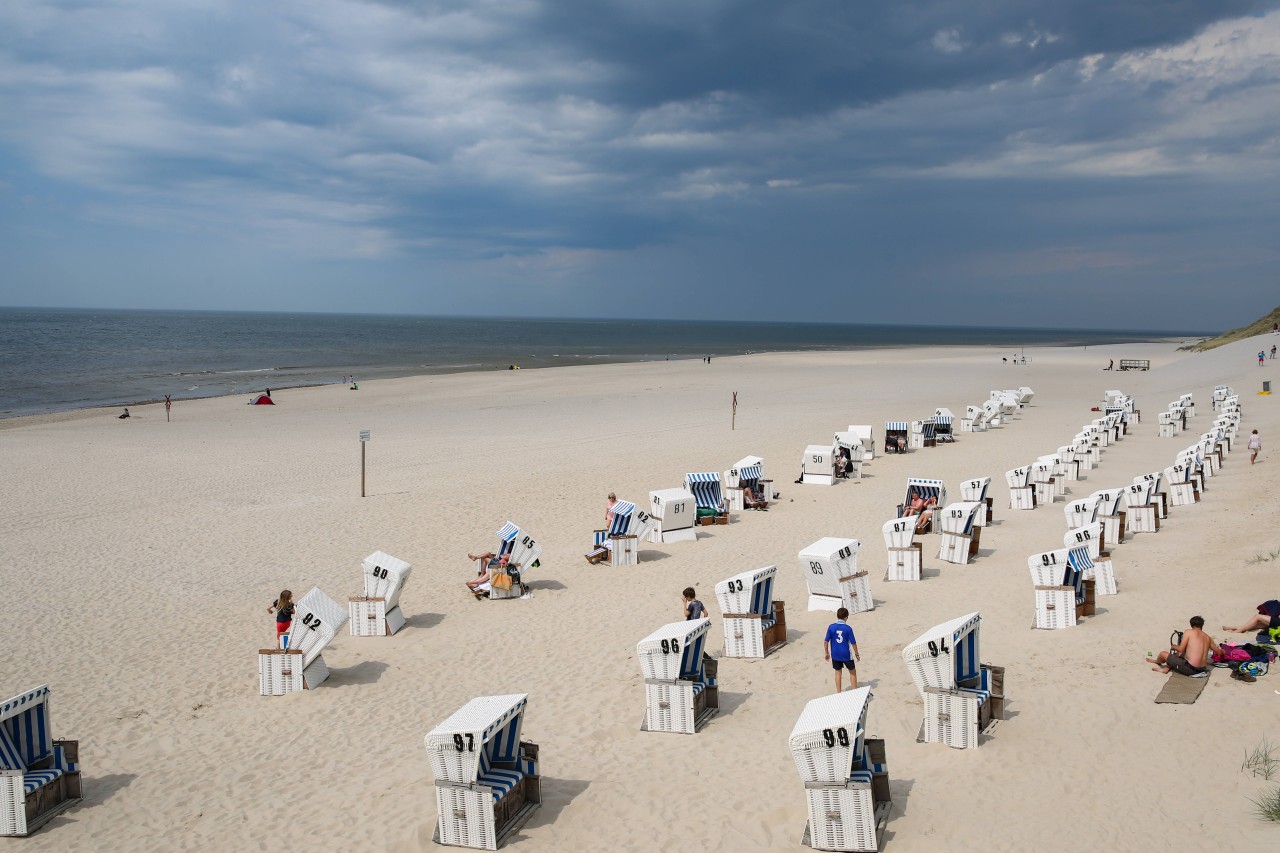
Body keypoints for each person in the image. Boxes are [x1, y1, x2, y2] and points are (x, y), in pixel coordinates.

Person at [1147, 616, 1220, 676]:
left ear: (1191, 625)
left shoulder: (1188, 632)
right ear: (1202, 625)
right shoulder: (1207, 637)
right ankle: (1166, 668)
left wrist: (1173, 646)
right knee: (1178, 654)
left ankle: (1157, 661)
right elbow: (1219, 652)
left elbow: (1181, 649)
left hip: (1191, 669)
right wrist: (1223, 650)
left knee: (1162, 654)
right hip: (1203, 668)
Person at [823, 607, 860, 692]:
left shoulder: (831, 627)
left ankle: (839, 692)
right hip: (846, 654)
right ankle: (854, 691)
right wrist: (857, 654)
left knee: (838, 672)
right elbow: (853, 643)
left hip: (835, 654)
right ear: (846, 617)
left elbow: (826, 641)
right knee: (852, 671)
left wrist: (826, 653)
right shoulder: (848, 628)